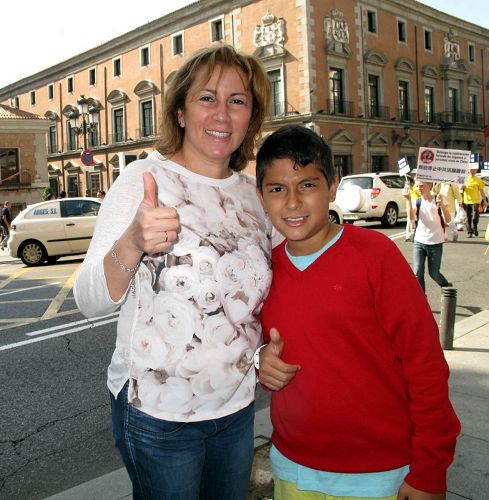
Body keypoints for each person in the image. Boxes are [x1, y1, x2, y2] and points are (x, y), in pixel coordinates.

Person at [73, 44, 271, 500]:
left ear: (250, 117)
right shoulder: (143, 178)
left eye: (237, 101)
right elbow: (88, 300)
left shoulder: (253, 195)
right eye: (207, 98)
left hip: (237, 405)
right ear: (180, 111)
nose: (222, 113)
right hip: (158, 412)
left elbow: (273, 290)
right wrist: (133, 243)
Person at [254, 125, 460, 500]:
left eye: (308, 185)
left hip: (380, 475)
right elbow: (261, 350)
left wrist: (430, 469)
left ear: (332, 186)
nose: (293, 202)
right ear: (261, 197)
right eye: (278, 189)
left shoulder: (375, 256)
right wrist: (262, 363)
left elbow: (425, 365)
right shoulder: (263, 272)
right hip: (294, 469)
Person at [404, 180, 451, 293]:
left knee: (434, 273)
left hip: (435, 242)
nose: (419, 188)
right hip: (419, 241)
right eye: (417, 186)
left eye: (422, 186)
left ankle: (447, 288)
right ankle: (422, 298)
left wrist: (442, 205)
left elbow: (448, 219)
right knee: (417, 273)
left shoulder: (439, 199)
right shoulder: (417, 201)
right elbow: (411, 217)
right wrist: (408, 200)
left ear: (429, 185)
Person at [461, 168, 488, 237]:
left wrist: (485, 201)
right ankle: (470, 232)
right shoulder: (464, 179)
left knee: (474, 217)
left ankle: (475, 227)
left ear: (476, 171)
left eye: (474, 170)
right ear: (468, 170)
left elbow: (482, 191)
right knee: (467, 217)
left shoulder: (478, 179)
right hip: (466, 201)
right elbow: (459, 190)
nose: (472, 171)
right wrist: (461, 187)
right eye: (471, 170)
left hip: (475, 201)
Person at [404, 171, 420, 241]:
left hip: (418, 201)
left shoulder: (419, 183)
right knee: (409, 219)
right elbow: (405, 191)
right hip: (411, 201)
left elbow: (420, 193)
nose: (414, 175)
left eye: (415, 174)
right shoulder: (409, 182)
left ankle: (415, 234)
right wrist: (407, 187)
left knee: (417, 219)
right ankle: (408, 235)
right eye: (413, 174)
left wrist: (414, 188)